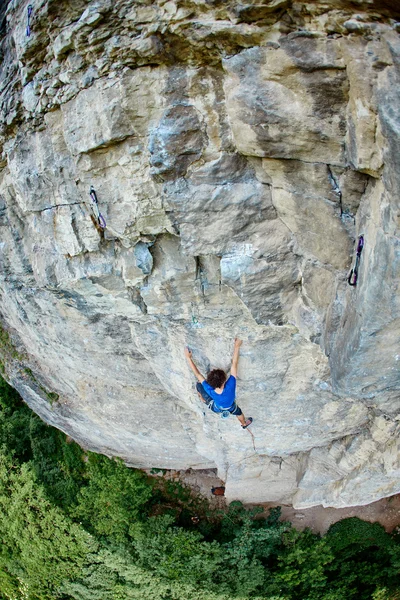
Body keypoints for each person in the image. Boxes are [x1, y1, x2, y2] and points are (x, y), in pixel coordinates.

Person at [184, 338, 253, 429]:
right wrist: (237, 346)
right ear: (225, 380)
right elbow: (234, 364)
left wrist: (188, 358)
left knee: (198, 385)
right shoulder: (230, 385)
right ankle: (244, 424)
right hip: (230, 407)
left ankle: (202, 398)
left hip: (217, 407)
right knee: (238, 412)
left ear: (210, 382)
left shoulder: (209, 388)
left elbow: (198, 374)